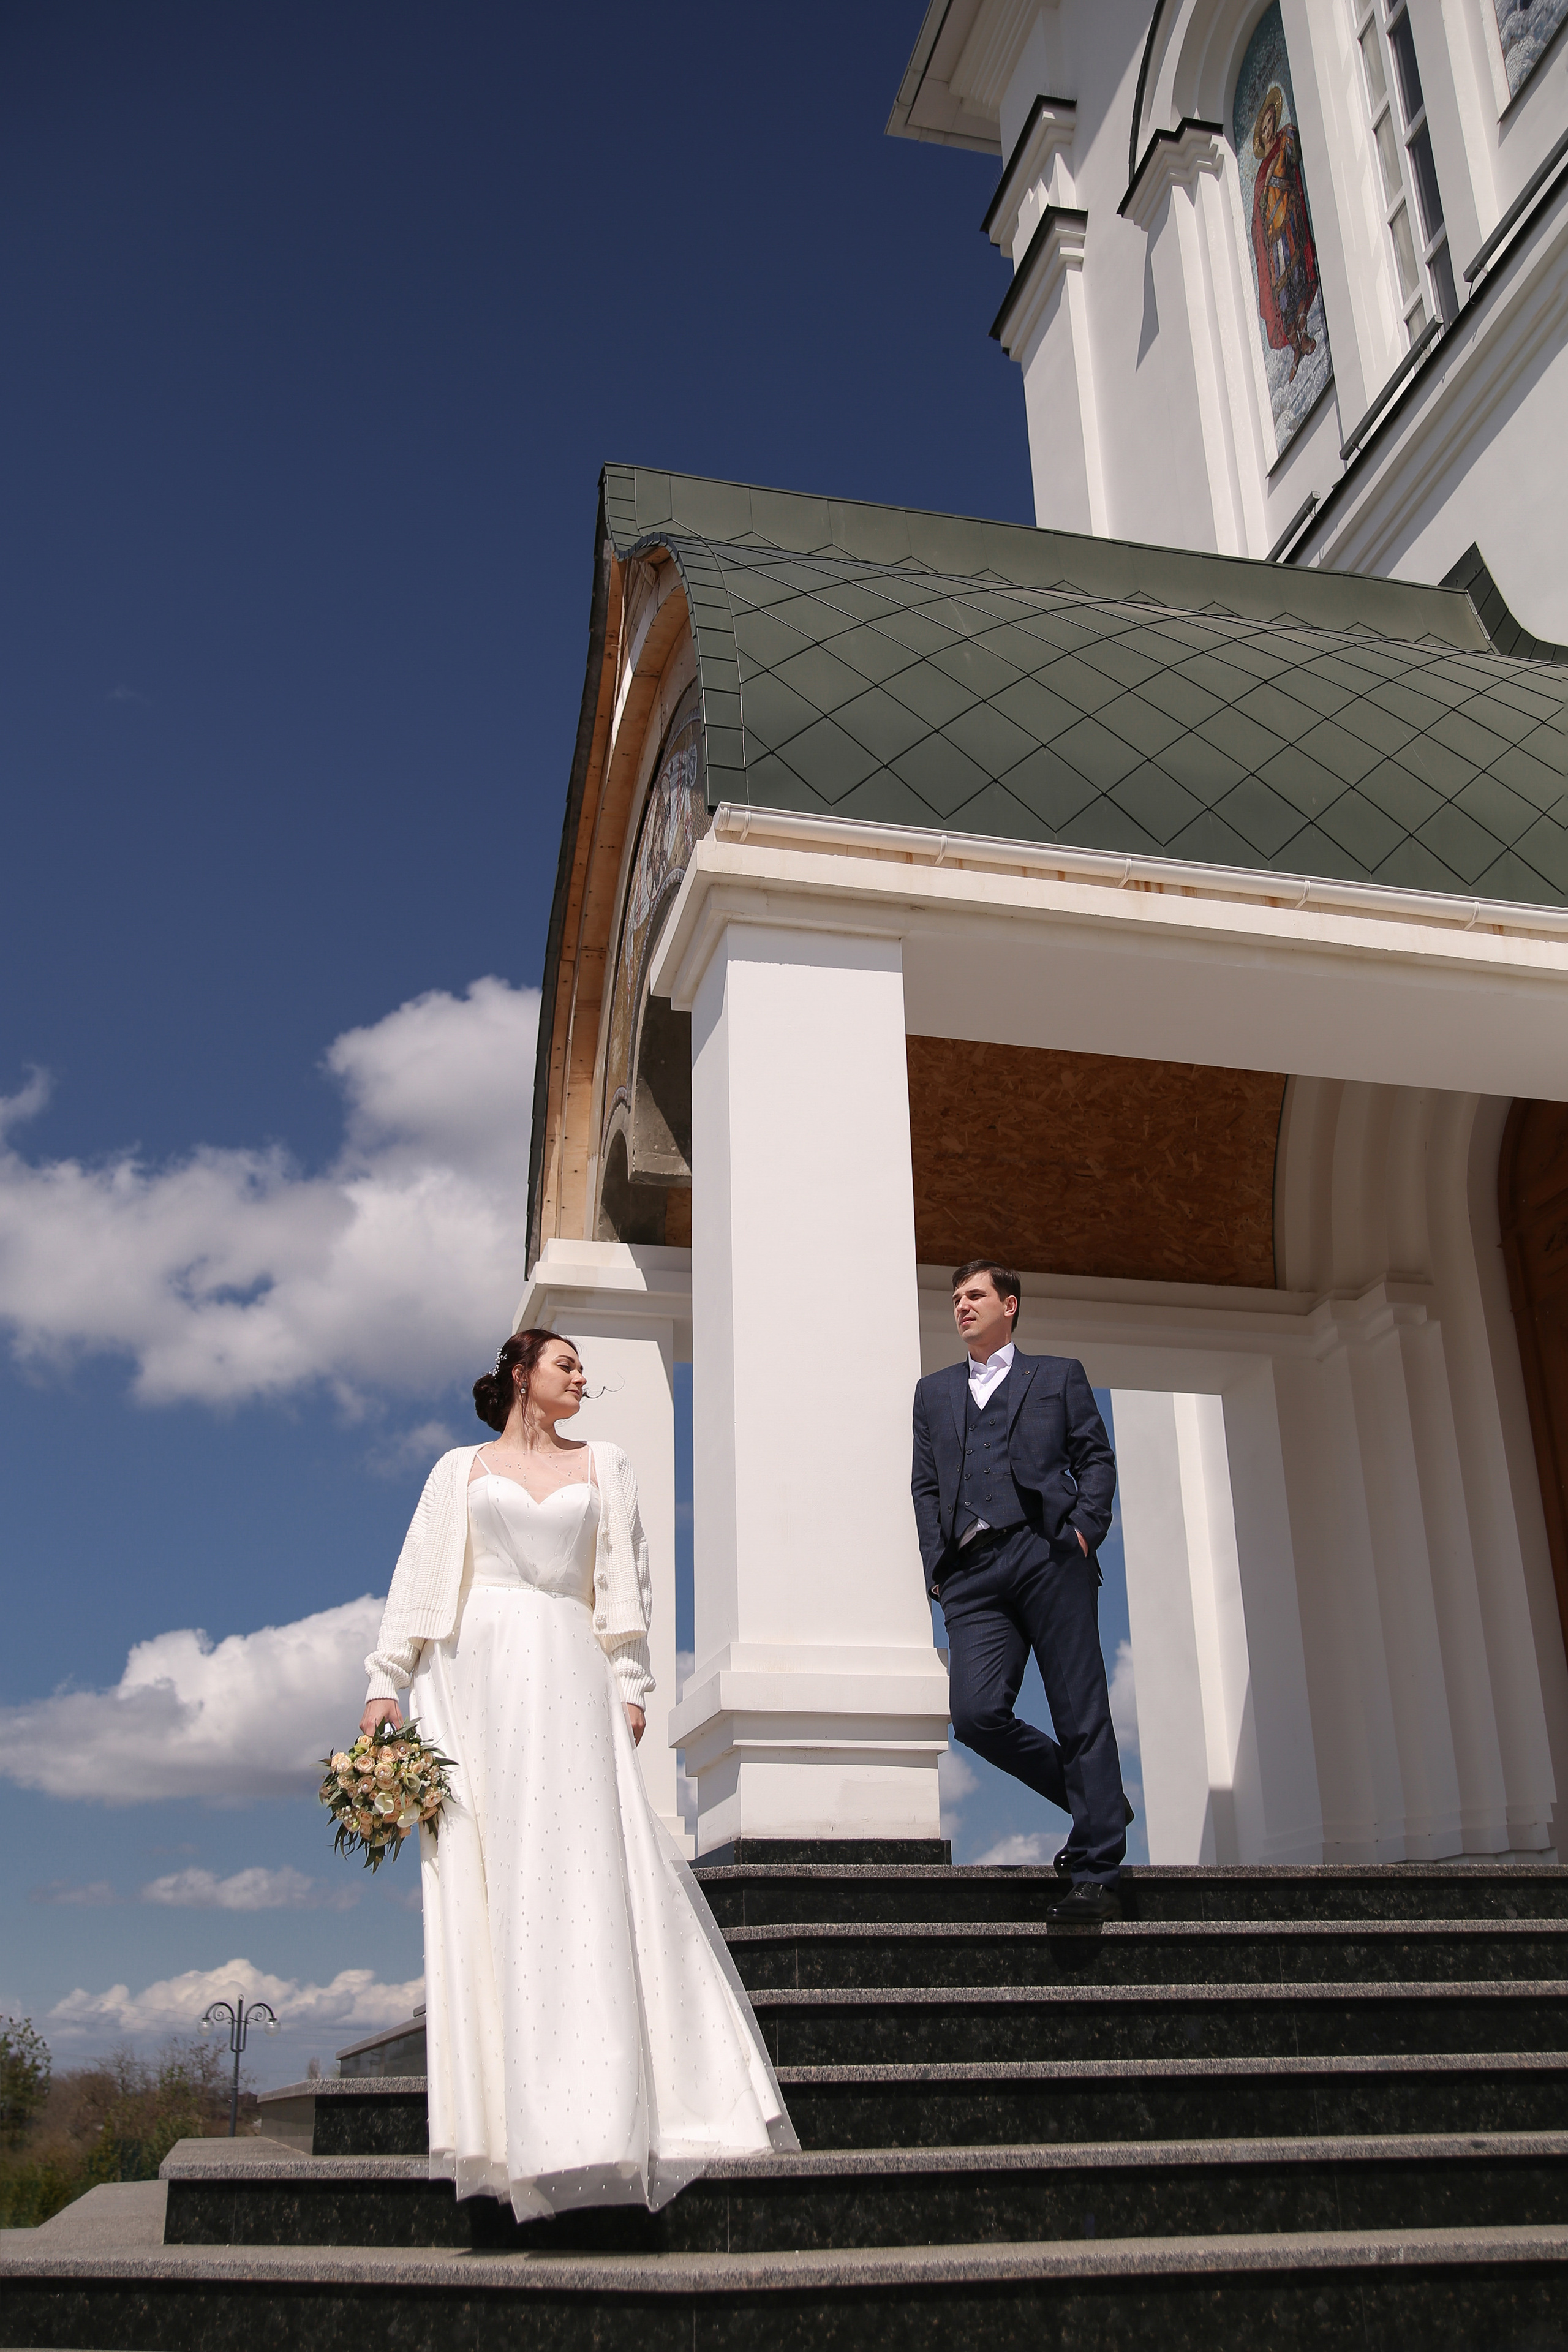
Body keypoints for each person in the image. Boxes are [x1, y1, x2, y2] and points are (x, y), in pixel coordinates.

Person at [360, 1327, 796, 2220]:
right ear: (521, 1376)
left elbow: (625, 1583)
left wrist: (631, 1681)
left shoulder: (608, 1464)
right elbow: (415, 1580)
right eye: (566, 1365)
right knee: (494, 1884)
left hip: (568, 1667)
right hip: (469, 1676)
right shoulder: (457, 1472)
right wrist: (385, 1683)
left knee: (586, 1871)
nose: (581, 1378)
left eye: (584, 1369)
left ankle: (602, 2115)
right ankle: (504, 2127)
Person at [911, 1262, 1129, 1923]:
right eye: (955, 1299)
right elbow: (924, 1487)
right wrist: (937, 1572)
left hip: (1047, 1554)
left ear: (1009, 1306)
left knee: (1078, 1707)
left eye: (974, 1295)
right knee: (977, 1716)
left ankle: (1096, 1870)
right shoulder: (933, 1394)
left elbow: (1095, 1458)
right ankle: (1098, 1799)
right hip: (971, 1573)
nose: (961, 1307)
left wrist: (1084, 1533)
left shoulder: (1057, 1375)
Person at [1250, 85, 1319, 382]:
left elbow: (1294, 157)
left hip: (1290, 226)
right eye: (1263, 129)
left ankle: (1304, 329)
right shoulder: (1261, 171)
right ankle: (1295, 341)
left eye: (1269, 125)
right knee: (1283, 293)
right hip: (1273, 244)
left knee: (1299, 278)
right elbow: (1257, 216)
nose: (1267, 132)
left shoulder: (1285, 139)